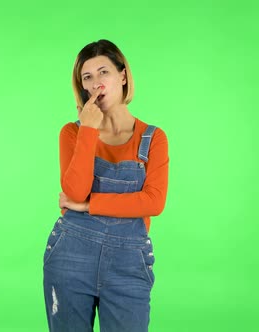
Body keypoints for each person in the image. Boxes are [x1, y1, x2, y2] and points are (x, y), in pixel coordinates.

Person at [43, 39, 169, 332]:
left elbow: (153, 202)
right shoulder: (73, 133)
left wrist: (89, 206)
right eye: (87, 77)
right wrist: (89, 128)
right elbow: (74, 191)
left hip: (128, 266)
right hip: (69, 260)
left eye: (104, 72)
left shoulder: (153, 139)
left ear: (122, 76)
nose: (96, 83)